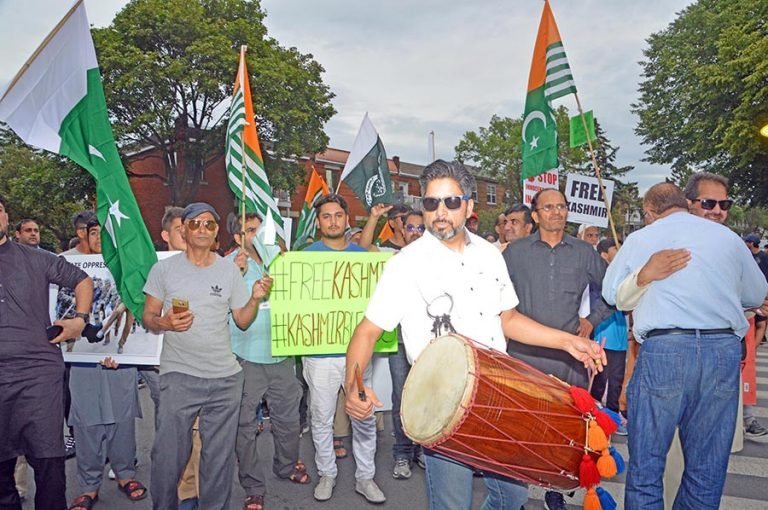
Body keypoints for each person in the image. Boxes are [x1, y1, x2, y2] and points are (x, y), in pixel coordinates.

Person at [343, 160, 605, 510]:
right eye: (431, 202)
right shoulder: (405, 264)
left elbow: (508, 319)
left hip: (500, 393)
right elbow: (367, 331)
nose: (440, 212)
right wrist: (353, 384)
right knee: (453, 504)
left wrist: (569, 341)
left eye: (451, 202)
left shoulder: (491, 255)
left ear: (468, 206)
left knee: (512, 497)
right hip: (441, 404)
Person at [603, 182, 768, 509]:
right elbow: (756, 292)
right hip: (721, 349)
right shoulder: (728, 238)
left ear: (650, 213)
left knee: (647, 464)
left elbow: (611, 294)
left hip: (666, 348)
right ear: (684, 203)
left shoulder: (642, 238)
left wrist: (644, 278)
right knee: (707, 467)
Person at [142, 202, 271, 510]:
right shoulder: (163, 269)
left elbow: (241, 319)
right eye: (195, 223)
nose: (202, 229)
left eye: (209, 225)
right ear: (183, 229)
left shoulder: (228, 269)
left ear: (216, 234)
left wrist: (254, 298)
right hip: (180, 376)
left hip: (225, 379)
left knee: (218, 459)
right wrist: (165, 322)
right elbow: (148, 316)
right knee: (168, 456)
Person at [502, 189, 613, 509]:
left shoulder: (584, 252)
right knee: (520, 430)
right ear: (534, 215)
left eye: (562, 207)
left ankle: (556, 489)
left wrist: (591, 321)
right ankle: (515, 494)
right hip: (523, 355)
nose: (556, 212)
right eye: (548, 207)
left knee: (565, 431)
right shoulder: (514, 252)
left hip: (570, 358)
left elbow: (611, 294)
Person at [0, 194, 94, 510]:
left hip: (38, 375)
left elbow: (82, 280)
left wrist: (79, 320)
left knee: (48, 462)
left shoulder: (36, 258)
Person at [300, 194, 385, 504]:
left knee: (363, 416)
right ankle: (327, 473)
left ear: (347, 220)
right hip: (319, 354)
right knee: (320, 416)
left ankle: (366, 477)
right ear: (319, 222)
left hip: (357, 355)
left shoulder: (363, 259)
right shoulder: (304, 259)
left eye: (338, 215)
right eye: (326, 216)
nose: (333, 221)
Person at [228, 212, 308, 510]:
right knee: (244, 424)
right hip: (245, 357)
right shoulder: (229, 267)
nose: (259, 237)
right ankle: (252, 486)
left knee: (288, 418)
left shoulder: (283, 263)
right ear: (237, 238)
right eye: (250, 231)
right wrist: (235, 275)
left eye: (262, 231)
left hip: (283, 355)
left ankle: (287, 465)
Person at [65, 224, 147, 510]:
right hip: (82, 361)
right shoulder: (66, 266)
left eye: (105, 233)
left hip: (119, 359)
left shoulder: (129, 270)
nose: (100, 238)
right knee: (86, 425)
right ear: (84, 236)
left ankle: (125, 475)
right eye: (94, 233)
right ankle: (89, 487)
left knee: (122, 421)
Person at [589, 239, 628, 431]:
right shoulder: (600, 277)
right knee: (599, 381)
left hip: (620, 340)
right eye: (615, 248)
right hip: (603, 336)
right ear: (604, 254)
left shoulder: (622, 274)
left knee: (616, 382)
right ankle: (595, 419)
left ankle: (612, 419)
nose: (619, 250)